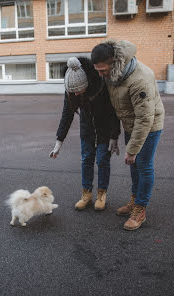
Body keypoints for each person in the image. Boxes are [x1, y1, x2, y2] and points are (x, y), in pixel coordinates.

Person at [91, 39, 165, 230]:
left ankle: (140, 210)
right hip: (131, 124)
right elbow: (114, 107)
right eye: (97, 70)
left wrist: (131, 150)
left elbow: (145, 119)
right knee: (134, 167)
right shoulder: (111, 75)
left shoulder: (139, 79)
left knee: (143, 165)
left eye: (102, 70)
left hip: (149, 125)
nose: (100, 75)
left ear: (115, 62)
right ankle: (135, 200)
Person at [49, 57, 120, 211]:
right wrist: (58, 142)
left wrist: (115, 136)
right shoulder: (71, 90)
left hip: (104, 129)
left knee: (102, 160)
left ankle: (101, 194)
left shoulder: (102, 86)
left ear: (87, 83)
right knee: (86, 159)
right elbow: (66, 115)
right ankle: (86, 194)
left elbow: (114, 112)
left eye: (78, 90)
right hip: (87, 130)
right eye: (72, 91)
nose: (75, 94)